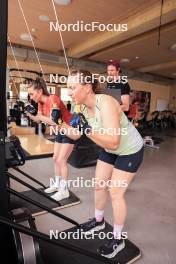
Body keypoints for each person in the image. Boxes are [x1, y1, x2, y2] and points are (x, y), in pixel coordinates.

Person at [58, 70, 144, 259]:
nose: (69, 92)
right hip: (110, 148)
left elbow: (113, 141)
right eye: (68, 88)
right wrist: (57, 122)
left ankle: (118, 238)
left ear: (87, 87)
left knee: (115, 192)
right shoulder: (80, 108)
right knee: (99, 185)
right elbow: (74, 134)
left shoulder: (105, 103)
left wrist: (86, 128)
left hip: (129, 149)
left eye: (73, 88)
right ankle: (98, 221)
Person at [27, 77, 75, 201]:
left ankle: (64, 191)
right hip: (60, 130)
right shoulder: (39, 103)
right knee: (55, 158)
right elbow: (39, 119)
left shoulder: (53, 98)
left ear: (40, 91)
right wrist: (30, 114)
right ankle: (58, 184)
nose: (31, 97)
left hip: (69, 129)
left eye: (32, 94)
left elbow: (53, 120)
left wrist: (40, 117)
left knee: (61, 160)